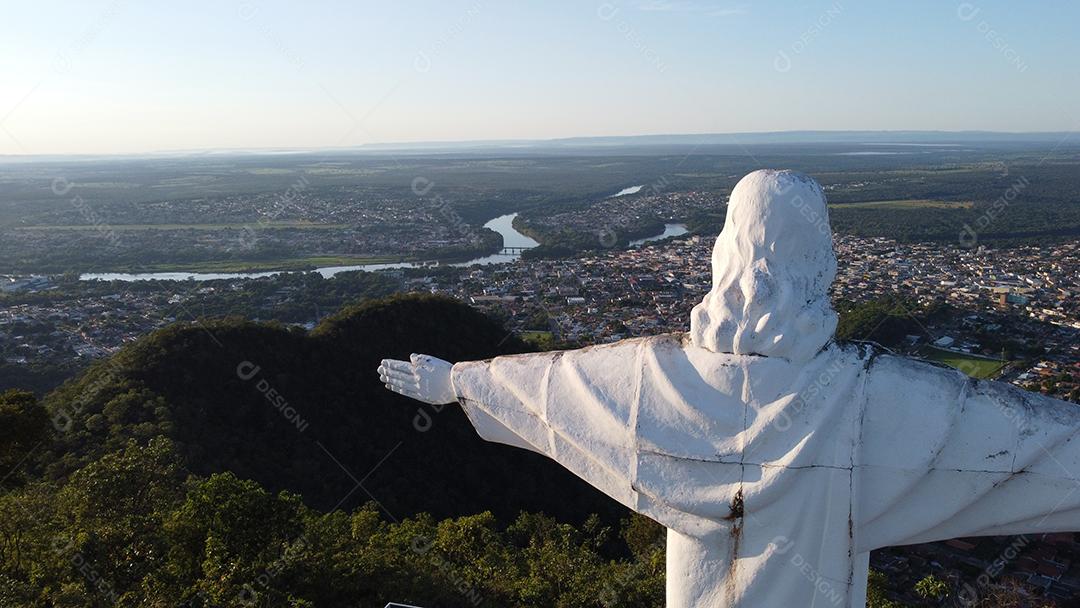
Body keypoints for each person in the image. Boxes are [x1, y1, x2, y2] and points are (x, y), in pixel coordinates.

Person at [379, 170, 1080, 607]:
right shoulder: (881, 399)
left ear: (722, 254)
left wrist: (461, 383)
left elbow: (558, 386)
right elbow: (1031, 445)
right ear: (820, 258)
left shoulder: (650, 381)